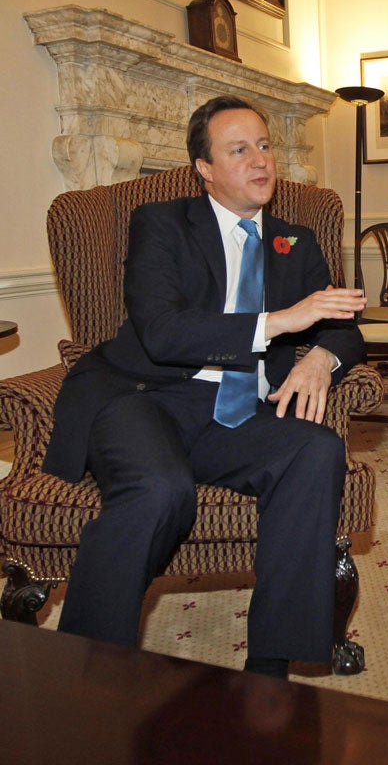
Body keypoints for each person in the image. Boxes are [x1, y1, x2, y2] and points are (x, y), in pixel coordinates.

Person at [43, 95, 368, 679]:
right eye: (238, 150)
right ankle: (83, 673)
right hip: (145, 397)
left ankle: (270, 671)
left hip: (241, 413)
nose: (260, 160)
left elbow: (345, 328)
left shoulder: (296, 241)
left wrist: (320, 355)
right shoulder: (161, 225)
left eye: (265, 146)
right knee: (160, 489)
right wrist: (279, 323)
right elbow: (163, 333)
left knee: (316, 449)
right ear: (205, 168)